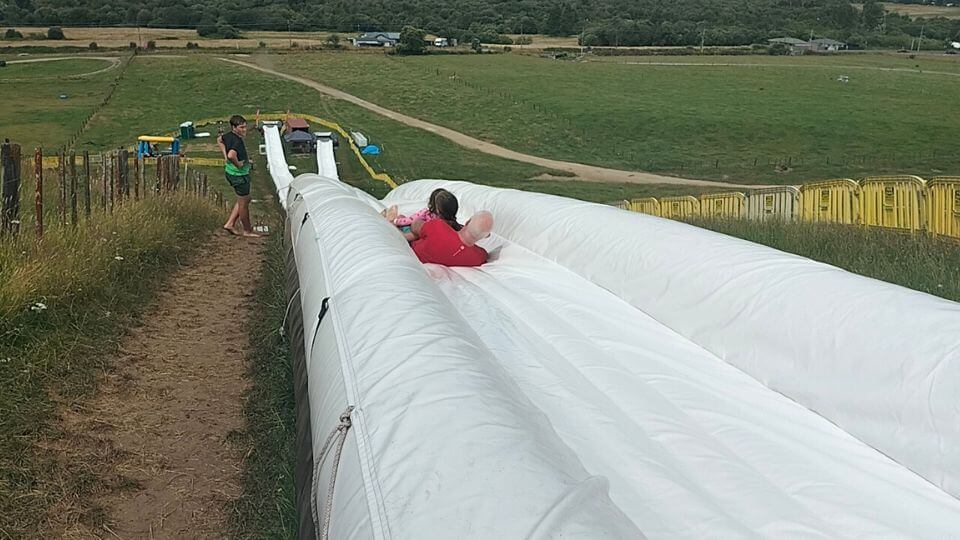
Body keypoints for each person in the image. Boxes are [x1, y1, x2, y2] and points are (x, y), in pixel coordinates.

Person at [217, 115, 264, 237]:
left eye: (245, 127)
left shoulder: (228, 136)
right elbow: (232, 155)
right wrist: (238, 164)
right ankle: (247, 230)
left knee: (245, 199)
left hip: (231, 172)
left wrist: (225, 155)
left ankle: (230, 223)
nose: (245, 130)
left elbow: (219, 140)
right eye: (241, 127)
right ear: (234, 127)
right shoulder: (237, 141)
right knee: (243, 204)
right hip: (239, 175)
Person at [410, 211, 493, 267]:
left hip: (410, 255)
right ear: (485, 236)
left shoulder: (438, 227)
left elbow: (414, 225)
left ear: (467, 222)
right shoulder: (478, 258)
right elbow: (484, 255)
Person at [383, 188, 461, 241]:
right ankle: (393, 220)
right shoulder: (450, 222)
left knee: (412, 232)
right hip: (421, 233)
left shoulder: (426, 213)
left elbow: (410, 220)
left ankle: (395, 228)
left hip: (417, 233)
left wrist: (396, 221)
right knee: (402, 218)